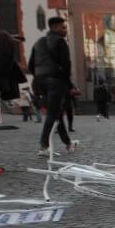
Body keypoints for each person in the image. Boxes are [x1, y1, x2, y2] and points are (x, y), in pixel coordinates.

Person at [28, 16, 79, 156]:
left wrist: (39, 77)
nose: (65, 30)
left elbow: (30, 65)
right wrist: (69, 84)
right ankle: (44, 146)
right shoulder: (60, 41)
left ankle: (68, 144)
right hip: (56, 82)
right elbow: (66, 65)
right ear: (54, 28)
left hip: (41, 81)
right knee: (53, 114)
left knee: (57, 113)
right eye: (63, 27)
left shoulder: (38, 42)